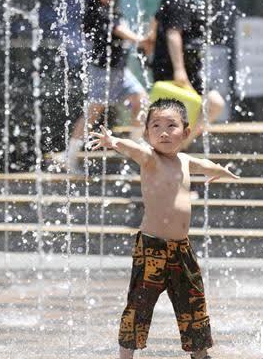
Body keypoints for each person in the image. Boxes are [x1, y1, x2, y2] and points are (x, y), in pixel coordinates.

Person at [88, 98, 239, 359]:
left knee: (193, 303)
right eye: (156, 126)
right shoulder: (150, 159)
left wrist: (222, 171)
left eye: (172, 125)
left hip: (182, 249)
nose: (164, 132)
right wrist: (114, 142)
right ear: (147, 133)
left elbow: (204, 165)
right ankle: (126, 356)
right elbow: (134, 149)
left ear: (186, 132)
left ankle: (200, 354)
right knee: (139, 304)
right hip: (152, 248)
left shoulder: (183, 160)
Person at [65, 0, 150, 172]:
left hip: (120, 70)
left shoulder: (115, 11)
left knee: (140, 99)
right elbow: (120, 31)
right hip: (103, 72)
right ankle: (70, 156)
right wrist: (141, 39)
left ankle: (134, 149)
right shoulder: (98, 13)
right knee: (93, 113)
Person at [148, 0, 225, 148]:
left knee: (197, 108)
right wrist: (180, 71)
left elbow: (155, 23)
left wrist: (150, 42)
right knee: (213, 104)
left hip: (182, 68)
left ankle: (172, 150)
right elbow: (173, 34)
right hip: (180, 70)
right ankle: (174, 150)